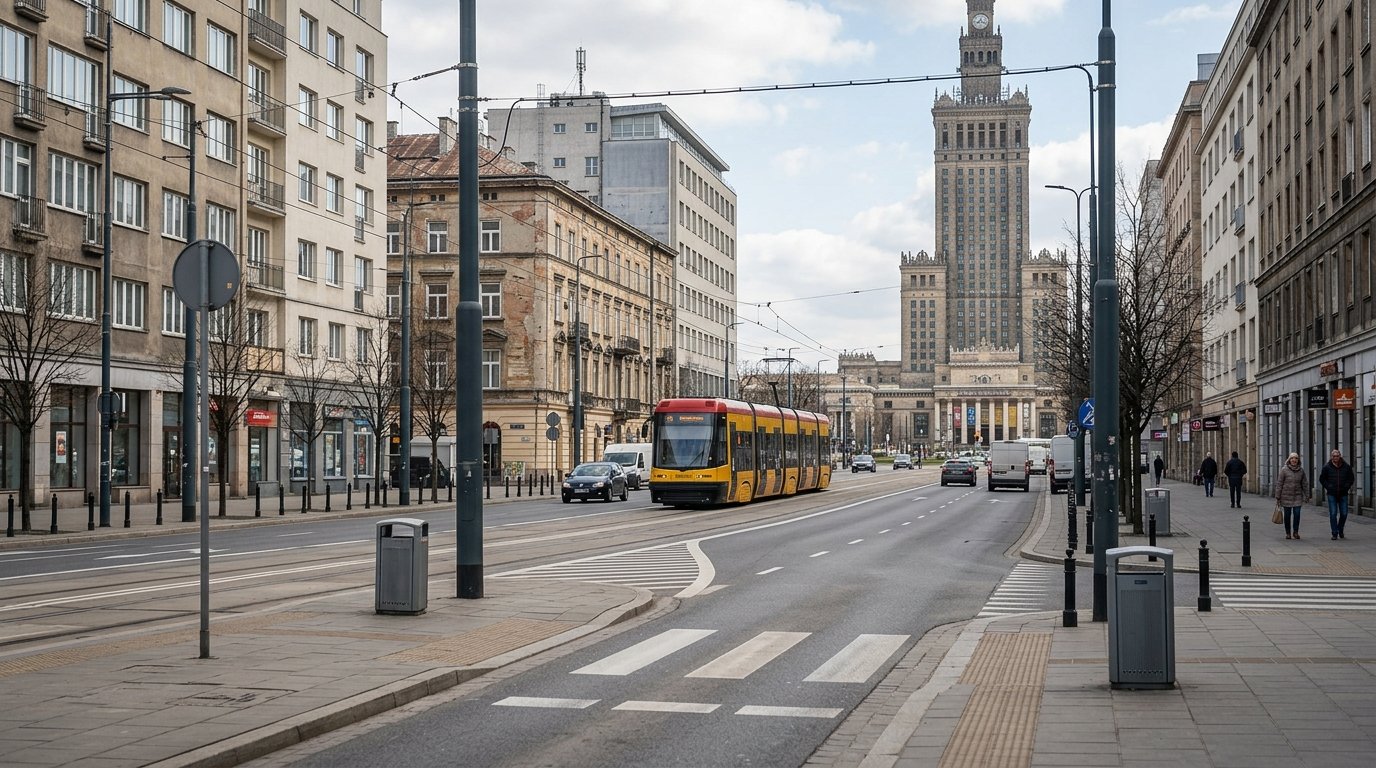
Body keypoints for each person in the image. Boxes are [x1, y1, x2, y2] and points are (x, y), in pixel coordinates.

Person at [1318, 449, 1356, 540]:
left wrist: (1346, 487)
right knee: (1333, 513)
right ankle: (1334, 533)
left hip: (1343, 493)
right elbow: (1322, 479)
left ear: (1340, 456)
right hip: (1332, 493)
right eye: (1334, 456)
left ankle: (1340, 529)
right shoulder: (1327, 467)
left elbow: (1351, 478)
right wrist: (1328, 486)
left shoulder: (1346, 467)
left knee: (1344, 513)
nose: (1335, 458)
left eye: (1337, 456)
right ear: (1331, 457)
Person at [1274, 452, 1309, 540]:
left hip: (1297, 496)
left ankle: (1296, 532)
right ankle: (1288, 532)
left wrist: (1307, 495)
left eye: (1296, 458)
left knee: (1297, 514)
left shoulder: (1301, 471)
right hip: (1286, 496)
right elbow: (1279, 483)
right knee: (1287, 515)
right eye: (1292, 458)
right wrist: (1278, 496)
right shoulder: (1284, 470)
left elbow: (1304, 483)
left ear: (1298, 460)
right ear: (1289, 460)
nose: (1294, 460)